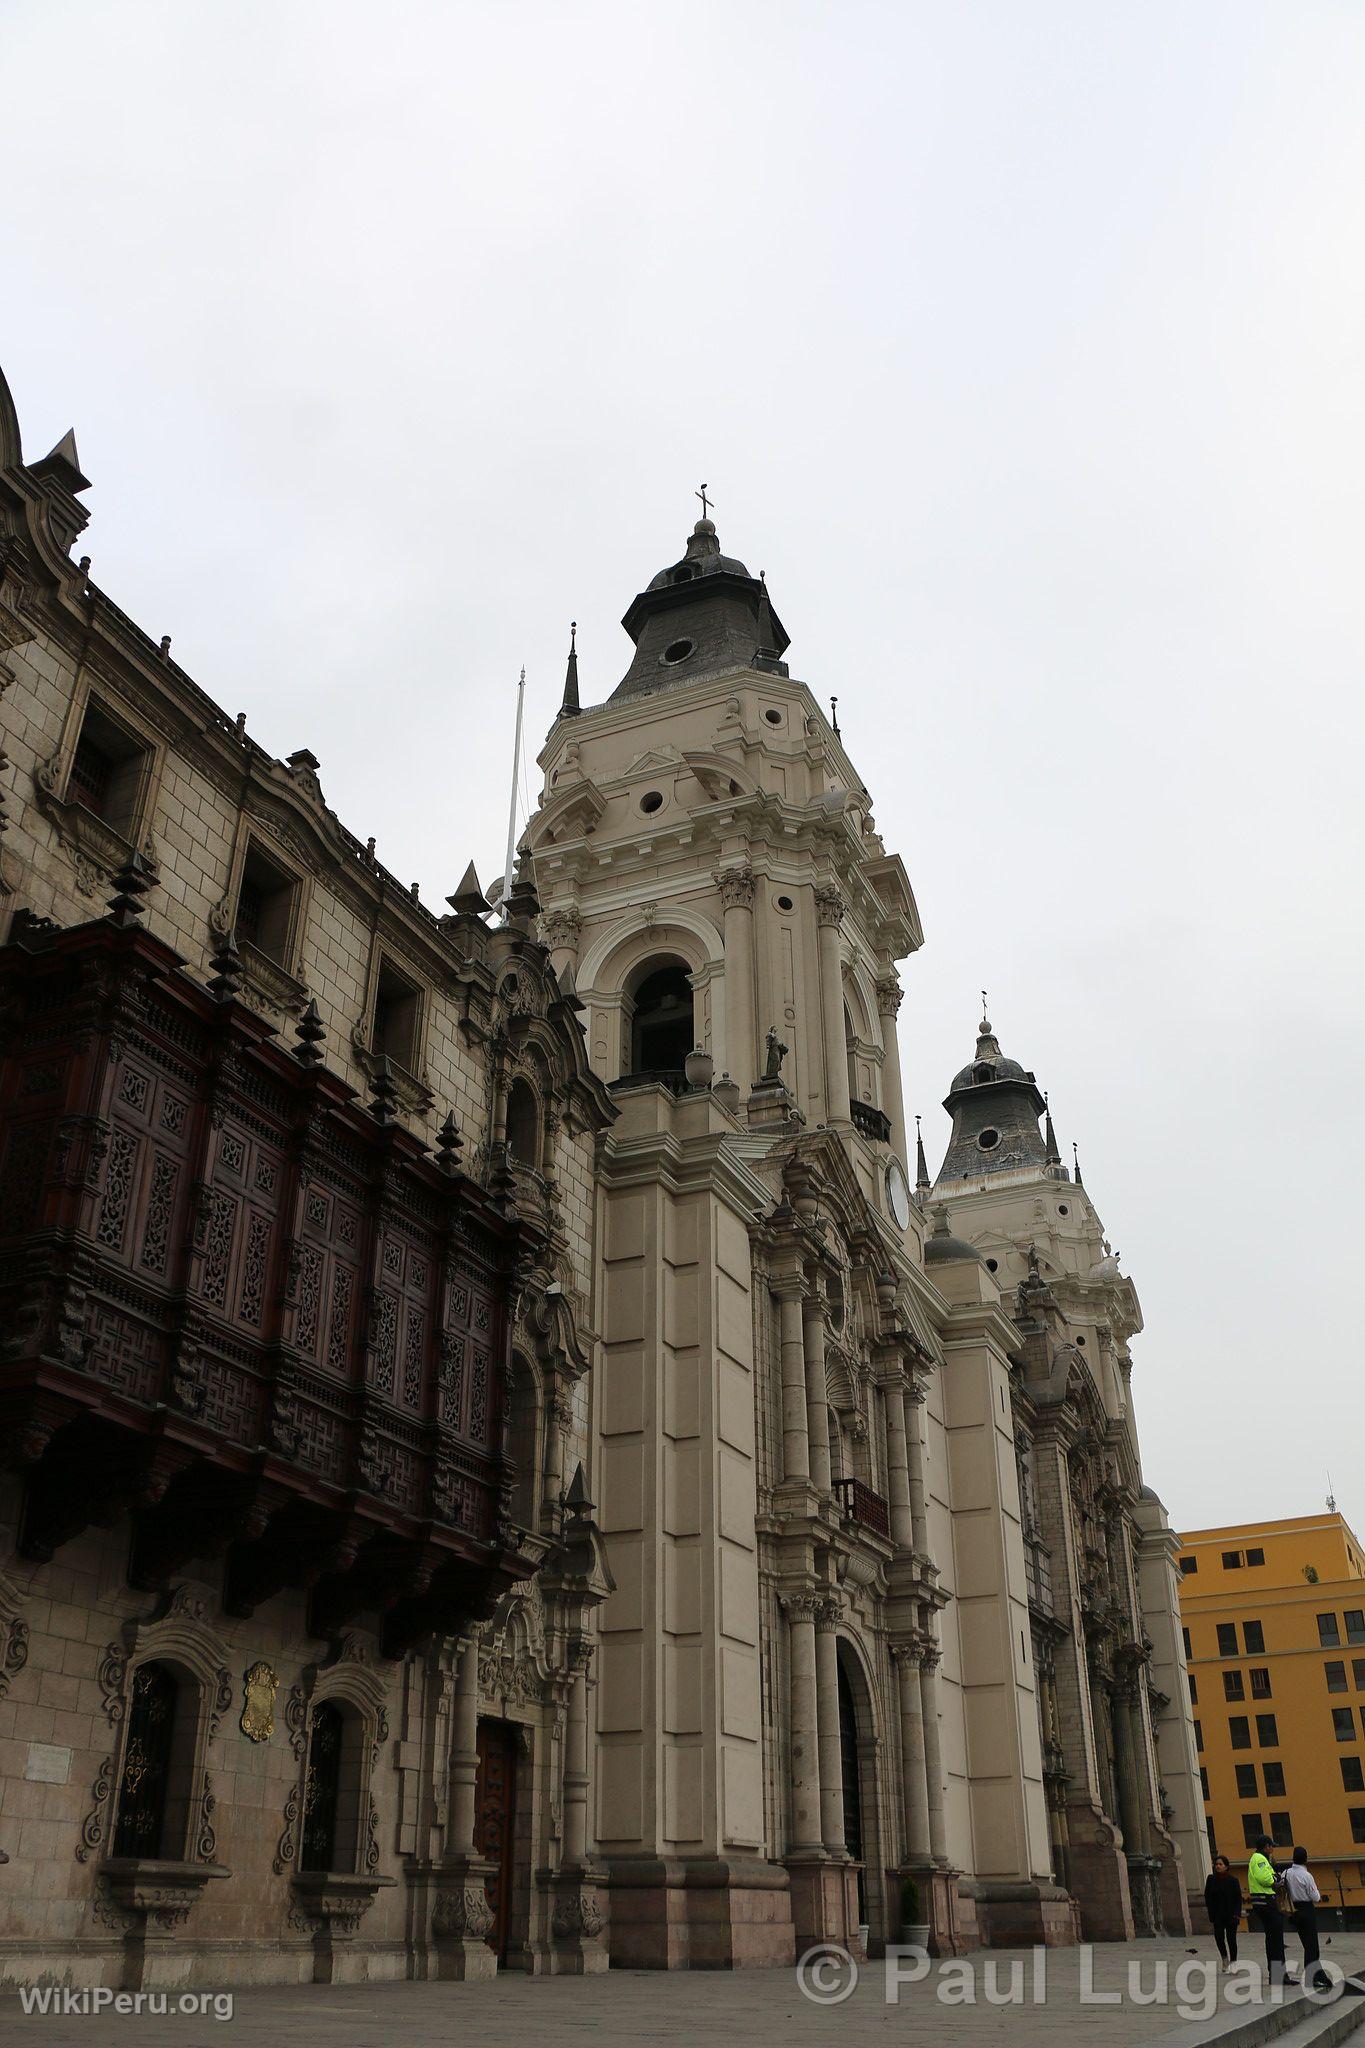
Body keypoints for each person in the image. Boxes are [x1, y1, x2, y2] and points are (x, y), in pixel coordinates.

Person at [1284, 1846, 1329, 1990]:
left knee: (1306, 1943)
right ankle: (1312, 1977)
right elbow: (1315, 1897)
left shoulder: (1286, 1873)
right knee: (1312, 1946)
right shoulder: (1306, 1876)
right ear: (1306, 1859)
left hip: (1293, 1910)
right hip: (1306, 1909)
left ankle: (1319, 1974)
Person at [1246, 1834, 1287, 1981]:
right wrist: (1276, 1878)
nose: (1273, 1849)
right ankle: (1279, 1975)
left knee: (1272, 1939)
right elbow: (1265, 1879)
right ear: (1266, 1846)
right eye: (1271, 1846)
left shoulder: (1260, 1859)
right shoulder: (1259, 1859)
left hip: (1263, 1902)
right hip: (1266, 1902)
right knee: (1275, 1940)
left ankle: (1277, 1974)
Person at [1204, 1853, 1242, 1965]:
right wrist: (1210, 1912)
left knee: (1231, 1940)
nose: (1218, 1866)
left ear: (1226, 1866)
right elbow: (1207, 1896)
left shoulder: (1233, 1880)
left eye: (1220, 1864)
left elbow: (1238, 1898)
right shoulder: (1211, 1879)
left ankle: (1234, 1961)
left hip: (1231, 1915)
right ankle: (1224, 1958)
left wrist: (1237, 1913)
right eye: (1216, 1864)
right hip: (1217, 1915)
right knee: (1219, 1939)